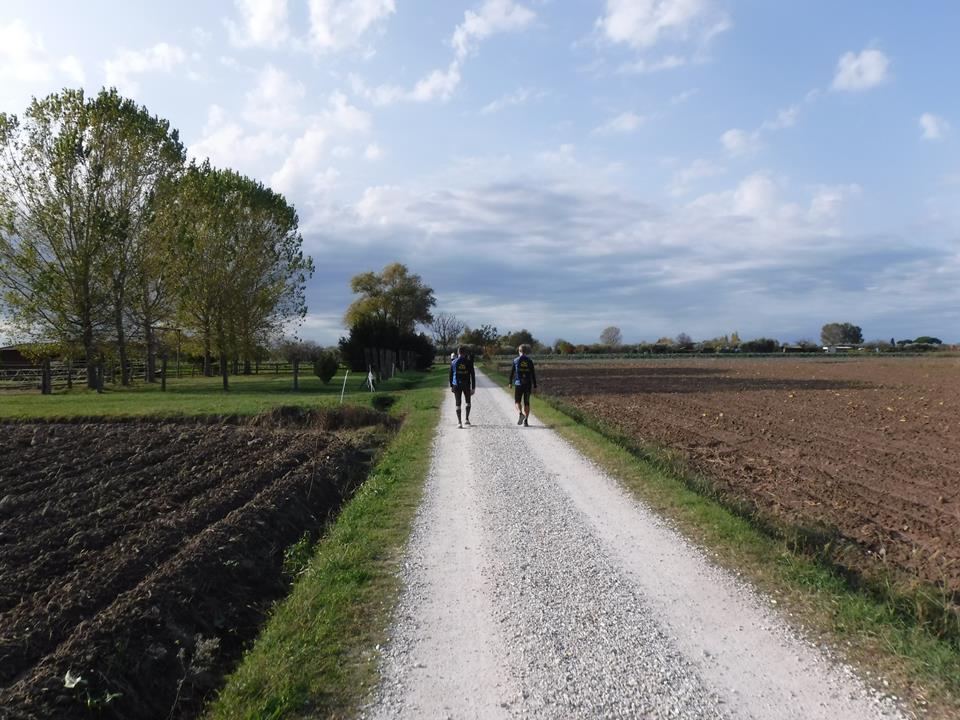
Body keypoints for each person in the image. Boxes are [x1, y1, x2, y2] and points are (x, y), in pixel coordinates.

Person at [508, 344, 537, 426]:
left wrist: (510, 382)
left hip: (518, 384)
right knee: (527, 402)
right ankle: (526, 421)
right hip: (528, 385)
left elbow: (512, 373)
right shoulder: (530, 361)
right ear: (526, 351)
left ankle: (520, 414)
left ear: (519, 351)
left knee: (517, 401)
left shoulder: (515, 360)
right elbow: (533, 374)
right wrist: (535, 386)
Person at [449, 345, 476, 428]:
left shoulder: (453, 362)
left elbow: (450, 375)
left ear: (458, 353)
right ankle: (467, 419)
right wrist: (473, 387)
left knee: (458, 403)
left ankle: (459, 422)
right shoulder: (469, 362)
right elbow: (472, 375)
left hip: (456, 385)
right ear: (465, 353)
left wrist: (451, 386)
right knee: (468, 402)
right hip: (466, 385)